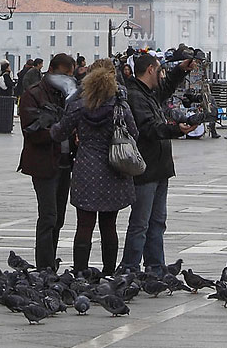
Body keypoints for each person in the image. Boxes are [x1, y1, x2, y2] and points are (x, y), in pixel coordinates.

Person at [51, 60, 138, 276]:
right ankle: (109, 272)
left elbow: (58, 133)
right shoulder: (120, 107)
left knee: (84, 225)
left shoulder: (78, 106)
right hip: (113, 168)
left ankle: (81, 271)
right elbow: (134, 134)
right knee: (109, 225)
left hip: (86, 169)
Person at [120, 52, 195, 273]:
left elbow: (167, 87)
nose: (162, 74)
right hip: (145, 168)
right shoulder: (135, 96)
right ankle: (130, 268)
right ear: (151, 70)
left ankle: (154, 266)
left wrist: (181, 69)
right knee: (141, 223)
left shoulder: (148, 93)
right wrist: (176, 130)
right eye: (159, 70)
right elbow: (148, 128)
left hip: (159, 168)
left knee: (157, 222)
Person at [18, 53, 77, 270]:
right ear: (51, 71)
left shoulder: (67, 95)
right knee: (49, 215)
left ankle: (50, 261)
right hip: (43, 163)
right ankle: (44, 265)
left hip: (65, 161)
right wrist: (57, 131)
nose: (67, 80)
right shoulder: (33, 95)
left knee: (59, 217)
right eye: (64, 75)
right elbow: (31, 131)